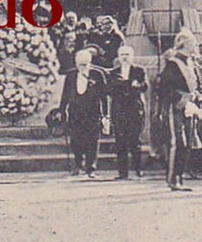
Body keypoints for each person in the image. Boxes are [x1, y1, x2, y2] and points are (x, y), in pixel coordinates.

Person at [157, 29, 202, 191]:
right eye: (192, 42)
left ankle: (180, 176)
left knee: (187, 143)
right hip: (175, 107)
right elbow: (164, 88)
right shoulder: (173, 64)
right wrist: (182, 100)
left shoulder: (191, 63)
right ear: (184, 44)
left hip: (189, 108)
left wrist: (200, 98)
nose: (195, 45)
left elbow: (195, 87)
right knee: (177, 142)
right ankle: (172, 179)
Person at [59, 49, 108, 178]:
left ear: (90, 63)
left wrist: (105, 115)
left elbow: (104, 96)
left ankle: (91, 167)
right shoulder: (71, 75)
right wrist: (62, 110)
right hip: (75, 112)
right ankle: (78, 164)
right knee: (75, 140)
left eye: (85, 64)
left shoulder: (97, 74)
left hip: (92, 113)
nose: (82, 67)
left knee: (92, 140)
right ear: (76, 64)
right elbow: (65, 95)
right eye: (80, 64)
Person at [106, 45, 146, 179]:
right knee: (120, 141)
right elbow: (110, 89)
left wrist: (128, 85)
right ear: (118, 56)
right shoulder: (113, 72)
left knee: (135, 140)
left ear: (132, 56)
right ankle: (122, 173)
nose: (125, 57)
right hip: (119, 110)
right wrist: (130, 85)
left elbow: (144, 86)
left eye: (127, 54)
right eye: (122, 54)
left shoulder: (139, 71)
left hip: (134, 109)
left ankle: (138, 169)